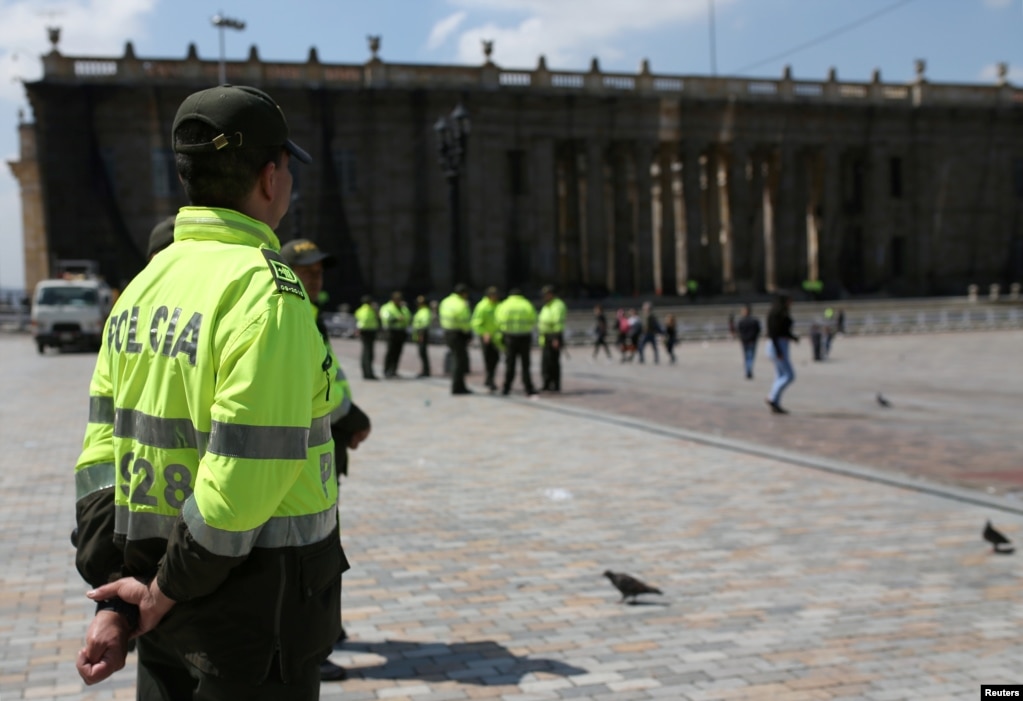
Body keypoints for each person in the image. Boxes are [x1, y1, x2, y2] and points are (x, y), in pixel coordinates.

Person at [73, 85, 346, 699]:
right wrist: (164, 591)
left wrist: (118, 597)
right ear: (271, 178)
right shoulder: (265, 293)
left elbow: (99, 459)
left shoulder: (143, 286)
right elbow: (243, 478)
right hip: (251, 621)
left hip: (156, 612)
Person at [282, 237, 371, 683]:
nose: (315, 277)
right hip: (304, 455)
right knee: (309, 555)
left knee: (319, 550)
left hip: (323, 446)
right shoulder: (291, 316)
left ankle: (324, 630)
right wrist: (350, 415)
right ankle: (309, 648)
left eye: (319, 270)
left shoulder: (308, 314)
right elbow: (313, 388)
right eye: (306, 270)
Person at [495, 288, 538, 397]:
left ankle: (507, 387)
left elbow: (498, 320)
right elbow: (534, 319)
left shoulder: (504, 305)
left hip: (509, 337)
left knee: (510, 363)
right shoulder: (526, 304)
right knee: (525, 364)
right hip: (524, 336)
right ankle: (528, 387)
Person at [765, 292, 799, 414]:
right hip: (777, 345)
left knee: (779, 375)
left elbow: (783, 331)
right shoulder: (776, 314)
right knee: (789, 375)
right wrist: (778, 350)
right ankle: (772, 397)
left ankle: (776, 403)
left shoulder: (781, 313)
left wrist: (793, 338)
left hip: (781, 344)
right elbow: (774, 333)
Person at [439, 283, 473, 394]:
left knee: (456, 358)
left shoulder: (446, 301)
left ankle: (459, 385)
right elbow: (465, 321)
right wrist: (468, 333)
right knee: (459, 361)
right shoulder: (462, 304)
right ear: (463, 293)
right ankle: (457, 386)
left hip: (447, 332)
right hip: (458, 334)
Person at [471, 286, 503, 392]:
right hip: (486, 337)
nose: (495, 297)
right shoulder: (482, 307)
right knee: (489, 359)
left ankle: (489, 379)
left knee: (496, 359)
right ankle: (490, 380)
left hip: (497, 337)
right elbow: (476, 323)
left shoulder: (499, 305)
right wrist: (484, 333)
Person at [537, 285, 567, 392]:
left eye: (546, 294)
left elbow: (557, 323)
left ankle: (555, 384)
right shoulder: (547, 305)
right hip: (545, 337)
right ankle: (546, 383)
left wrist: (556, 338)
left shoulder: (557, 305)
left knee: (553, 362)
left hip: (553, 336)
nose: (544, 297)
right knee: (545, 362)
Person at [379, 291, 411, 378]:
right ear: (393, 299)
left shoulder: (403, 308)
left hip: (401, 332)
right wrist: (396, 319)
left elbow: (408, 317)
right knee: (390, 352)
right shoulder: (387, 307)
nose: (399, 301)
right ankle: (387, 370)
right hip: (391, 332)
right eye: (397, 299)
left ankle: (393, 370)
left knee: (398, 352)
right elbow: (385, 318)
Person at [354, 294, 380, 380]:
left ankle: (365, 372)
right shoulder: (370, 309)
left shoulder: (360, 310)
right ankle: (369, 373)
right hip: (369, 332)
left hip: (363, 332)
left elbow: (357, 319)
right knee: (369, 353)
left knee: (365, 352)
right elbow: (370, 319)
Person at [735, 304, 761, 379]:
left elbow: (739, 331)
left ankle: (748, 371)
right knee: (750, 357)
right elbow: (758, 330)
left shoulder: (742, 321)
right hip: (751, 341)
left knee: (747, 357)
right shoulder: (754, 321)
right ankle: (748, 371)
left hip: (746, 341)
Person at [411, 295, 433, 378]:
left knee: (423, 353)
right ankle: (424, 370)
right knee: (421, 353)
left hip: (422, 334)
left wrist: (421, 335)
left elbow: (424, 325)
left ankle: (425, 371)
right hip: (419, 334)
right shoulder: (421, 310)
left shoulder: (425, 311)